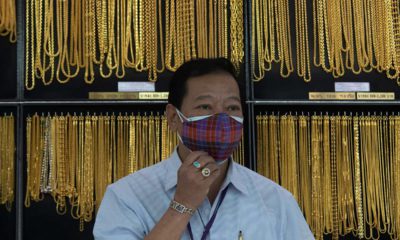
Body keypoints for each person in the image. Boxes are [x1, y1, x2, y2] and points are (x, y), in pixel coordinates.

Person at [93, 58, 315, 240]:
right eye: (205, 106)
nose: (221, 118)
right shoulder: (127, 197)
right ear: (173, 117)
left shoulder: (275, 200)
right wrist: (182, 205)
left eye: (232, 107)